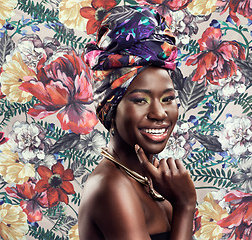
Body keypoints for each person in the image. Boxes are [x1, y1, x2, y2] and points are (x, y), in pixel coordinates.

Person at [78, 5, 197, 240]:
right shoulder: (112, 187)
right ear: (111, 107)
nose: (159, 113)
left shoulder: (148, 180)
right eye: (141, 100)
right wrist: (185, 206)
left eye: (168, 98)